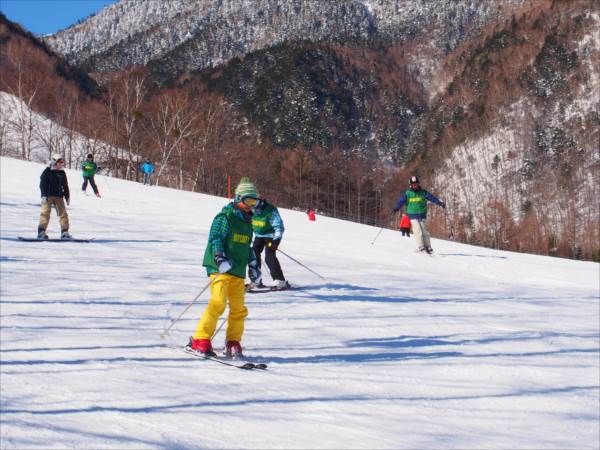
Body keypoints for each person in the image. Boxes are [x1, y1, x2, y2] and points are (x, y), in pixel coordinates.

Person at [187, 177, 261, 358]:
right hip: (220, 268)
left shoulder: (248, 222)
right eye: (248, 200)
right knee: (218, 302)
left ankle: (233, 341)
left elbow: (248, 246)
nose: (251, 205)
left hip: (237, 271)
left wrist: (253, 266)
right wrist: (220, 258)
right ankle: (200, 338)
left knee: (238, 308)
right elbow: (216, 238)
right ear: (238, 198)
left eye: (255, 201)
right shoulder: (225, 216)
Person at [392, 175, 445, 253]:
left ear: (418, 184)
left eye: (416, 184)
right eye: (413, 184)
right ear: (410, 185)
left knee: (424, 231)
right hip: (412, 215)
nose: (415, 186)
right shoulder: (408, 193)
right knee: (417, 230)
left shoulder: (423, 192)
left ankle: (428, 246)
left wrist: (439, 203)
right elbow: (401, 201)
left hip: (422, 214)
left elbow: (431, 197)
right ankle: (421, 246)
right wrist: (396, 208)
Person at [250, 197, 288, 290]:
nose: (255, 211)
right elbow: (248, 223)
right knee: (253, 254)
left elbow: (279, 226)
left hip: (272, 235)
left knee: (269, 257)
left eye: (257, 208)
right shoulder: (250, 208)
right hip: (259, 235)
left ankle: (280, 281)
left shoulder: (270, 210)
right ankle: (255, 279)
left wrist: (276, 241)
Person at [38, 154, 71, 239]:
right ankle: (41, 232)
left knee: (63, 214)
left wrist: (67, 196)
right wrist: (43, 195)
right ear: (54, 162)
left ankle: (65, 232)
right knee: (45, 213)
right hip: (48, 196)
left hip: (59, 196)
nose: (61, 164)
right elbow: (42, 184)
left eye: (62, 162)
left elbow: (65, 185)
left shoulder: (62, 172)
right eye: (59, 162)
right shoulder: (47, 171)